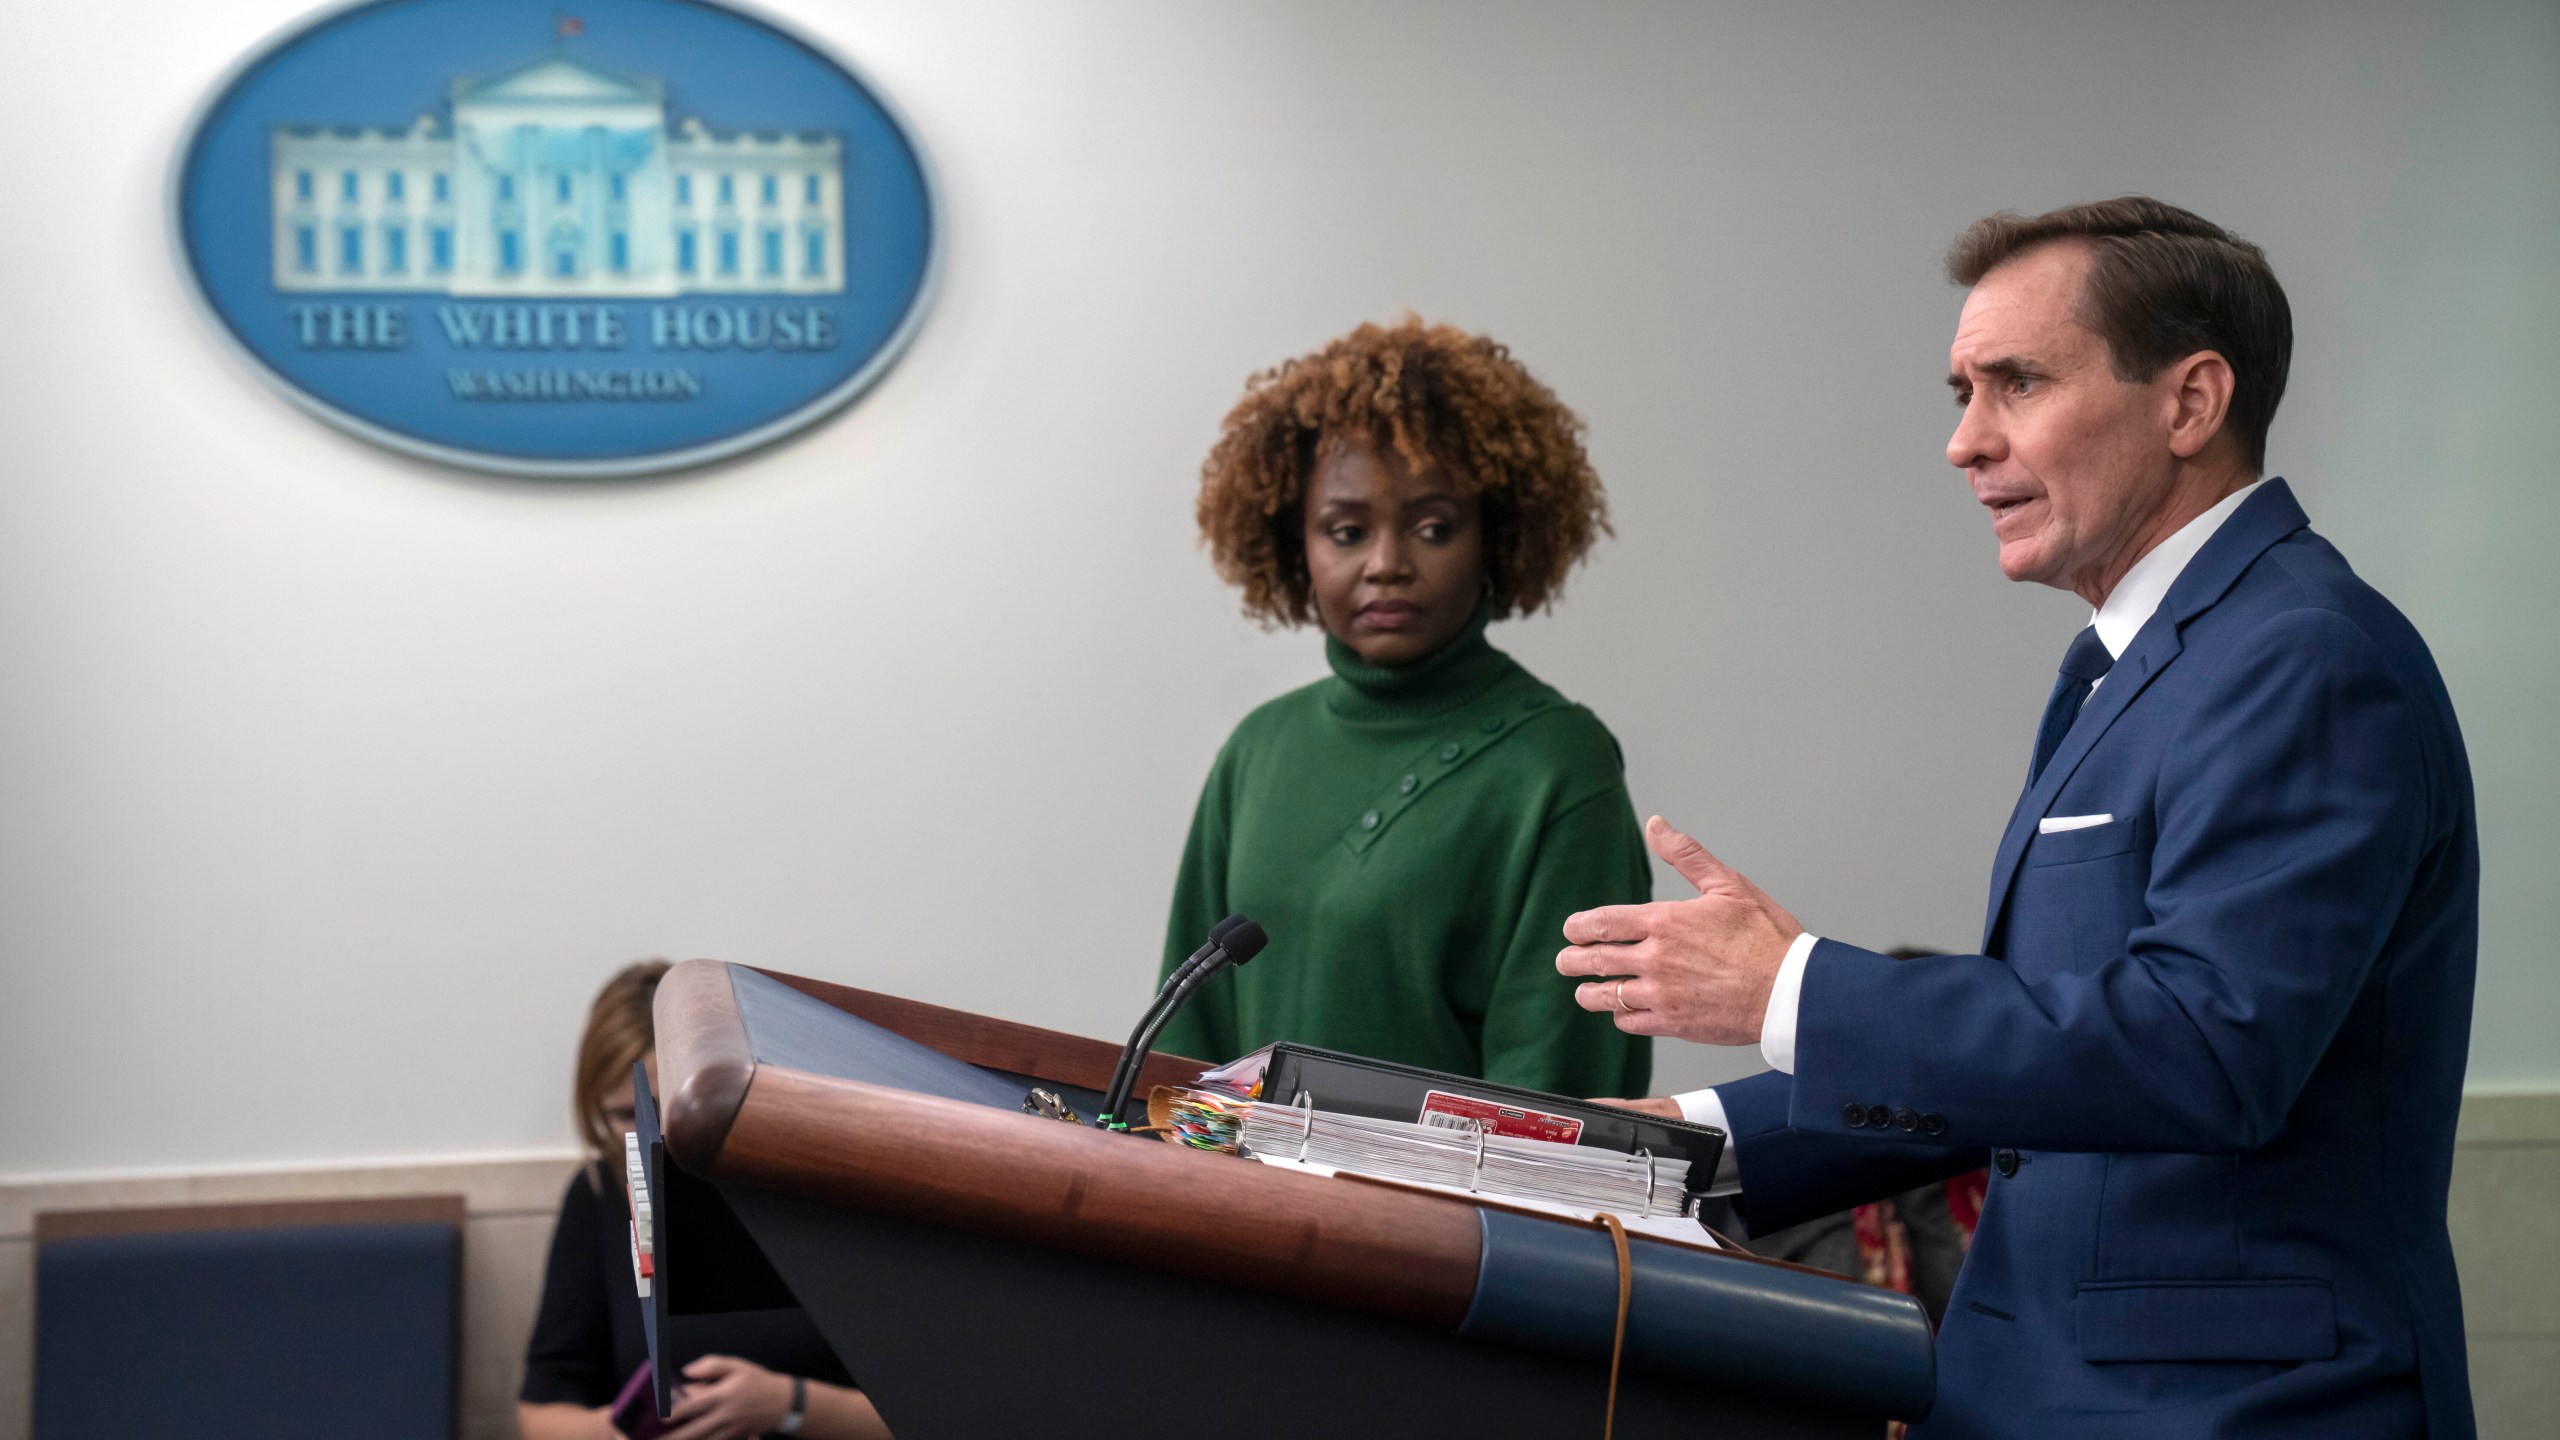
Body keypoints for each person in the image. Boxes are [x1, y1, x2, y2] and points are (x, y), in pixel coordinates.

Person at [1562, 199, 2476, 1437]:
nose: (1964, 442)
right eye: (1960, 392)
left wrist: (1794, 992)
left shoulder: (2306, 655)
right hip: (2047, 1390)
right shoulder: (2126, 664)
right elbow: (2047, 1066)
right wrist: (1670, 1142)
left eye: (2017, 384)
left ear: (2190, 403)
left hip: (2235, 1405)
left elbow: (2204, 1049)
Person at [1158, 316, 1652, 1098]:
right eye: (1347, 530)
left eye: (1433, 527)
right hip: (1234, 1210)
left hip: (1441, 1219)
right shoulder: (1258, 749)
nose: (1387, 564)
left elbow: (1558, 1098)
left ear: (1496, 537)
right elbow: (1182, 1042)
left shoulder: (1558, 768)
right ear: (1297, 548)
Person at [520, 961, 893, 1440]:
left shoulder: (807, 1185)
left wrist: (788, 1403)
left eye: (667, 1108)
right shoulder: (600, 1194)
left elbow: (938, 1410)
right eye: (625, 1114)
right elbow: (541, 1414)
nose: (651, 1139)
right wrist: (627, 1431)